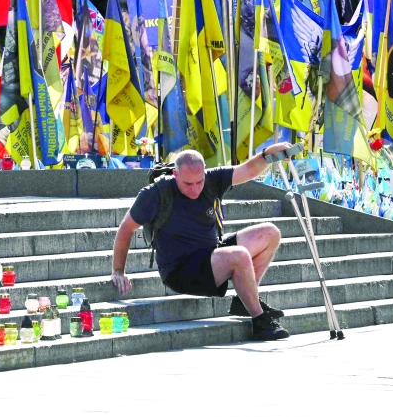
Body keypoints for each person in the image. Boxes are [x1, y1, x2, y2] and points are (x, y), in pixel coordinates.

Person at [111, 146, 293, 341]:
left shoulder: (212, 180)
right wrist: (118, 270)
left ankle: (246, 299)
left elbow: (247, 169)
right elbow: (126, 228)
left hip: (211, 253)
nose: (195, 189)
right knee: (239, 255)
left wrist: (267, 154)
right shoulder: (156, 194)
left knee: (270, 233)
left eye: (199, 181)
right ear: (175, 174)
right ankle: (261, 321)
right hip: (180, 271)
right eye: (188, 183)